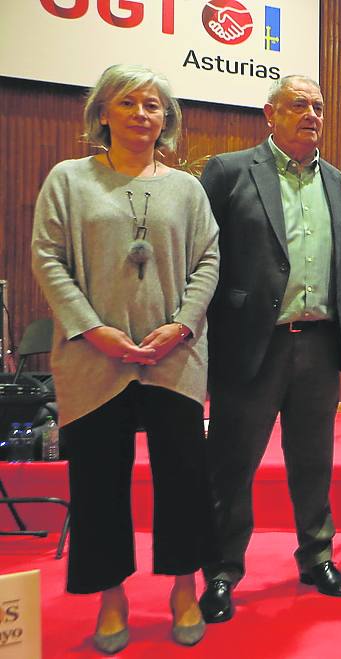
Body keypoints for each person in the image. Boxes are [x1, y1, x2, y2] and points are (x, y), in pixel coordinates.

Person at [30, 64, 219, 653]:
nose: (143, 114)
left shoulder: (187, 188)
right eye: (130, 102)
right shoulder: (69, 178)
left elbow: (209, 258)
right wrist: (92, 330)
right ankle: (111, 601)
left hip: (173, 357)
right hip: (94, 360)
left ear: (168, 118)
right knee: (98, 482)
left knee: (184, 479)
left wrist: (182, 325)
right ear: (102, 112)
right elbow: (47, 258)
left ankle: (184, 589)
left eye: (154, 105)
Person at [198, 75, 341, 623]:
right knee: (232, 464)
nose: (311, 114)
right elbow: (203, 257)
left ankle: (316, 557)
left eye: (318, 105)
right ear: (271, 113)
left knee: (312, 462)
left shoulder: (338, 183)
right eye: (298, 106)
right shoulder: (229, 171)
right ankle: (221, 571)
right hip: (249, 344)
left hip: (317, 343)